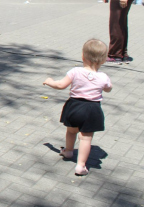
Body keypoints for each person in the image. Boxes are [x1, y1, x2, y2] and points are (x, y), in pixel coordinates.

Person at [42, 39, 112, 177]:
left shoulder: (75, 71)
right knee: (86, 138)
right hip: (92, 109)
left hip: (74, 106)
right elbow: (108, 88)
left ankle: (68, 151)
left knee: (71, 131)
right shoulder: (103, 77)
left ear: (82, 56)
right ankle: (80, 165)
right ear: (103, 60)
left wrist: (50, 81)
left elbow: (61, 85)